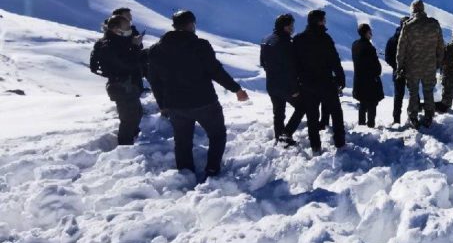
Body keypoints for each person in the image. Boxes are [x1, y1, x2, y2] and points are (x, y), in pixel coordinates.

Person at [148, 10, 249, 177]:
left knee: (182, 141)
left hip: (175, 104)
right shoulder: (200, 45)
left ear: (174, 26)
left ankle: (185, 174)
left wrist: (162, 105)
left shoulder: (156, 50)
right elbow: (215, 71)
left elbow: (154, 80)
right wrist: (236, 89)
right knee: (217, 135)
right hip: (204, 102)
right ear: (191, 25)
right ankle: (212, 169)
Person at [292, 9, 346, 152]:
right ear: (319, 21)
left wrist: (298, 82)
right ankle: (340, 142)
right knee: (336, 112)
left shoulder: (298, 39)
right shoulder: (325, 38)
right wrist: (341, 78)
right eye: (323, 19)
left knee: (312, 115)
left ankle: (315, 145)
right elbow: (335, 60)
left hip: (307, 83)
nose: (325, 22)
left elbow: (294, 63)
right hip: (326, 82)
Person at [89, 14, 145, 145]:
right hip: (121, 86)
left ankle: (132, 139)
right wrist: (135, 46)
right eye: (126, 26)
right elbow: (128, 63)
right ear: (115, 29)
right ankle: (125, 146)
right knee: (129, 118)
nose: (129, 29)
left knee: (136, 113)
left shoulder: (117, 41)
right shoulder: (108, 46)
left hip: (126, 85)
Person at [396, 0, 444, 129]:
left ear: (412, 10)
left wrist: (399, 66)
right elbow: (440, 46)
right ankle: (429, 116)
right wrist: (438, 62)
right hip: (430, 65)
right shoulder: (434, 24)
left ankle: (413, 117)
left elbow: (401, 49)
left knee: (413, 92)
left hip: (413, 66)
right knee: (428, 91)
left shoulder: (408, 26)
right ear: (423, 9)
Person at [260, 13, 300, 146]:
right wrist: (294, 88)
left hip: (271, 83)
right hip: (285, 85)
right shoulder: (286, 43)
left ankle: (279, 138)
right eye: (291, 26)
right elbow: (291, 68)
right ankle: (285, 134)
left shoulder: (266, 40)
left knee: (278, 112)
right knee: (302, 106)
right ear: (285, 27)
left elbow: (263, 62)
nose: (293, 28)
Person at [352, 23, 384, 127]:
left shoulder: (355, 45)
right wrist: (377, 72)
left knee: (362, 103)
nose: (371, 34)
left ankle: (361, 125)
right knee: (372, 104)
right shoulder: (369, 48)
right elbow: (376, 66)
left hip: (358, 79)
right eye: (370, 32)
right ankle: (370, 125)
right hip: (370, 81)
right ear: (366, 33)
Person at [384, 16, 409, 124]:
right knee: (414, 95)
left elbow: (387, 57)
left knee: (398, 97)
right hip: (410, 71)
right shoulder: (410, 40)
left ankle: (396, 120)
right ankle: (414, 117)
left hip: (397, 72)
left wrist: (396, 66)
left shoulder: (392, 39)